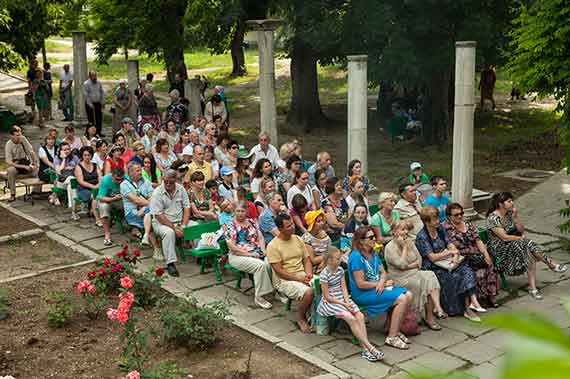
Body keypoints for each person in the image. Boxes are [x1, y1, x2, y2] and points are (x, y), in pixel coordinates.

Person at [486, 192, 567, 300]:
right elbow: (504, 238)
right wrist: (521, 238)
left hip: (513, 243)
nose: (512, 203)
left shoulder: (509, 214)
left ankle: (533, 288)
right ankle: (551, 264)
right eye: (509, 201)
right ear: (501, 204)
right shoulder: (493, 218)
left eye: (511, 200)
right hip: (499, 249)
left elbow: (520, 230)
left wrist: (515, 217)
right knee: (527, 244)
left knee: (529, 252)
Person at [347, 226, 413, 350]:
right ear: (361, 241)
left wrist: (382, 281)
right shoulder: (356, 257)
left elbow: (383, 272)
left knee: (408, 295)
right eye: (371, 238)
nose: (374, 240)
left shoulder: (373, 252)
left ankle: (395, 329)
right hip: (363, 294)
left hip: (377, 288)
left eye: (374, 237)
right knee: (402, 299)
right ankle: (392, 337)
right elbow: (360, 283)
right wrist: (379, 284)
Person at [318, 247, 384, 361]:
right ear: (329, 260)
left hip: (343, 299)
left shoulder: (340, 270)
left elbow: (344, 288)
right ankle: (370, 347)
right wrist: (344, 305)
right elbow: (327, 297)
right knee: (350, 318)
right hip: (331, 302)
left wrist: (347, 302)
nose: (340, 260)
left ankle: (365, 350)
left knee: (360, 316)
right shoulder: (324, 275)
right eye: (337, 258)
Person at [415, 206, 479, 321]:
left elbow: (450, 244)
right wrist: (450, 252)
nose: (438, 221)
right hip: (433, 267)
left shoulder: (440, 229)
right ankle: (455, 308)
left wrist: (455, 256)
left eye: (437, 218)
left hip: (447, 262)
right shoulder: (422, 236)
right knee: (453, 277)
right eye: (434, 220)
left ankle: (470, 305)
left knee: (466, 270)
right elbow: (432, 257)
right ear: (426, 222)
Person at [385, 220, 445, 329]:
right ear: (394, 232)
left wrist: (409, 265)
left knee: (430, 275)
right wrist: (404, 249)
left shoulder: (410, 242)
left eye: (406, 229)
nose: (406, 232)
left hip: (414, 273)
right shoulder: (389, 247)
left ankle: (437, 308)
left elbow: (420, 260)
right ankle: (430, 317)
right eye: (402, 229)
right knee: (425, 281)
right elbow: (401, 265)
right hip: (399, 278)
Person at [443, 203, 499, 308]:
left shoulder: (468, 224)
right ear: (449, 216)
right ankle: (478, 297)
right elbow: (449, 247)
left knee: (489, 263)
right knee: (474, 269)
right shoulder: (445, 228)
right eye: (456, 215)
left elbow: (478, 240)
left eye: (461, 213)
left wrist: (485, 254)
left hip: (475, 254)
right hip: (461, 257)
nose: (460, 216)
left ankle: (491, 296)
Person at [267, 213, 314, 333]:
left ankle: (317, 317)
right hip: (285, 280)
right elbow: (279, 272)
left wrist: (309, 274)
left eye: (292, 224)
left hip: (302, 275)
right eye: (288, 226)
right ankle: (300, 317)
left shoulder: (297, 239)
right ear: (280, 229)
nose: (292, 227)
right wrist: (300, 279)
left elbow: (306, 259)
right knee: (308, 292)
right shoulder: (273, 246)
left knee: (324, 284)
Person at [226, 202, 273, 309]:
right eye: (238, 211)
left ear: (246, 212)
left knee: (271, 262)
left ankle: (274, 290)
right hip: (238, 256)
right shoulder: (231, 226)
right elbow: (232, 247)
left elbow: (260, 237)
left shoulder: (252, 222)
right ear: (234, 212)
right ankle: (259, 297)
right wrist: (249, 254)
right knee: (260, 266)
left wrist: (263, 250)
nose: (240, 213)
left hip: (255, 252)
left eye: (242, 211)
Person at [150, 169, 191, 277]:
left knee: (195, 226)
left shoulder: (181, 189)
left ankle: (202, 255)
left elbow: (187, 207)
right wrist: (174, 227)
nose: (168, 184)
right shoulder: (157, 193)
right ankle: (170, 263)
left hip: (179, 221)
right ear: (163, 179)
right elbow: (158, 215)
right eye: (166, 181)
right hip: (162, 223)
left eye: (171, 182)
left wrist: (183, 225)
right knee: (169, 233)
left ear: (175, 180)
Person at [121, 162, 157, 251]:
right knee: (153, 215)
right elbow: (136, 200)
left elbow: (152, 196)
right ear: (131, 172)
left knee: (148, 213)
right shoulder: (124, 185)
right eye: (138, 171)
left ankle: (146, 236)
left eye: (140, 170)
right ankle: (156, 248)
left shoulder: (145, 181)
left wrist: (145, 207)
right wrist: (150, 204)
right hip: (133, 213)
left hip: (146, 211)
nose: (140, 172)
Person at [5, 126, 39, 201]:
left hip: (25, 161)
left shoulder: (23, 139)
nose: (19, 137)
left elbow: (31, 151)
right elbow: (9, 162)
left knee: (37, 169)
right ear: (12, 136)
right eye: (17, 135)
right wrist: (23, 166)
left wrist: (34, 163)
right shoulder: (8, 144)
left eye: (20, 134)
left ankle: (36, 192)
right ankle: (12, 194)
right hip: (15, 164)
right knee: (11, 171)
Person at [97, 168, 125, 246]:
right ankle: (107, 234)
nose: (119, 182)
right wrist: (113, 199)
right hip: (107, 200)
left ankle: (133, 228)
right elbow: (100, 197)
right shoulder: (105, 180)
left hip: (120, 201)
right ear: (112, 176)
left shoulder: (126, 179)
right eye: (117, 179)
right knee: (104, 207)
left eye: (121, 179)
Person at [74, 146, 101, 223]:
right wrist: (93, 187)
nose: (87, 157)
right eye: (85, 155)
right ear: (82, 156)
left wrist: (98, 184)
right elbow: (81, 181)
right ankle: (97, 218)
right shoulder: (78, 167)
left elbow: (100, 177)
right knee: (94, 195)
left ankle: (95, 210)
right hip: (84, 188)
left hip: (97, 186)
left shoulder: (95, 165)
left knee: (102, 193)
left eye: (89, 155)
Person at [84, 71, 105, 136]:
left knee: (99, 118)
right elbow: (86, 95)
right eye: (93, 76)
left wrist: (103, 101)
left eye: (95, 75)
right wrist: (90, 104)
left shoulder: (99, 83)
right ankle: (91, 133)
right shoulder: (86, 84)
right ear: (90, 76)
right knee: (91, 119)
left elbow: (101, 92)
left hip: (98, 103)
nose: (95, 77)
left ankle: (98, 132)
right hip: (90, 104)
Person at [26, 58, 38, 124]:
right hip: (33, 88)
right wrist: (30, 89)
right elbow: (29, 81)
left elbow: (29, 81)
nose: (35, 65)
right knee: (32, 104)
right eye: (35, 64)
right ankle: (34, 117)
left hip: (35, 88)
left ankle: (35, 117)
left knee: (35, 103)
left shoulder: (37, 70)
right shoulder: (30, 71)